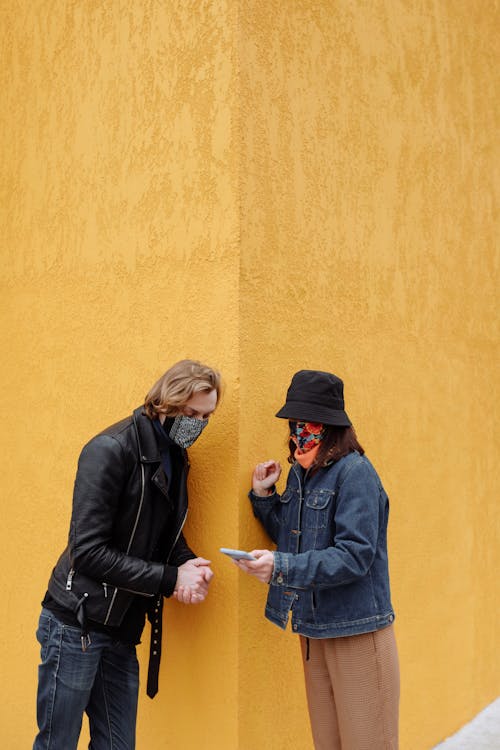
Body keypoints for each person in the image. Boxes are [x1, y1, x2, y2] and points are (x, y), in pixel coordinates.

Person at [33, 359, 221, 750]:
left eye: (207, 416)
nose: (198, 424)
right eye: (191, 413)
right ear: (167, 401)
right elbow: (87, 552)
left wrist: (187, 563)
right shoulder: (110, 449)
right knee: (57, 743)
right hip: (76, 624)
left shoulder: (176, 456)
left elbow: (161, 533)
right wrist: (171, 579)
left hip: (121, 629)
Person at [236, 370, 399, 750]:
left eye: (308, 424)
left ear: (330, 427)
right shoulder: (301, 473)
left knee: (369, 744)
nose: (297, 433)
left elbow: (354, 556)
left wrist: (281, 568)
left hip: (357, 631)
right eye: (294, 424)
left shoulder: (355, 473)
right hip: (314, 630)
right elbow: (294, 539)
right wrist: (264, 496)